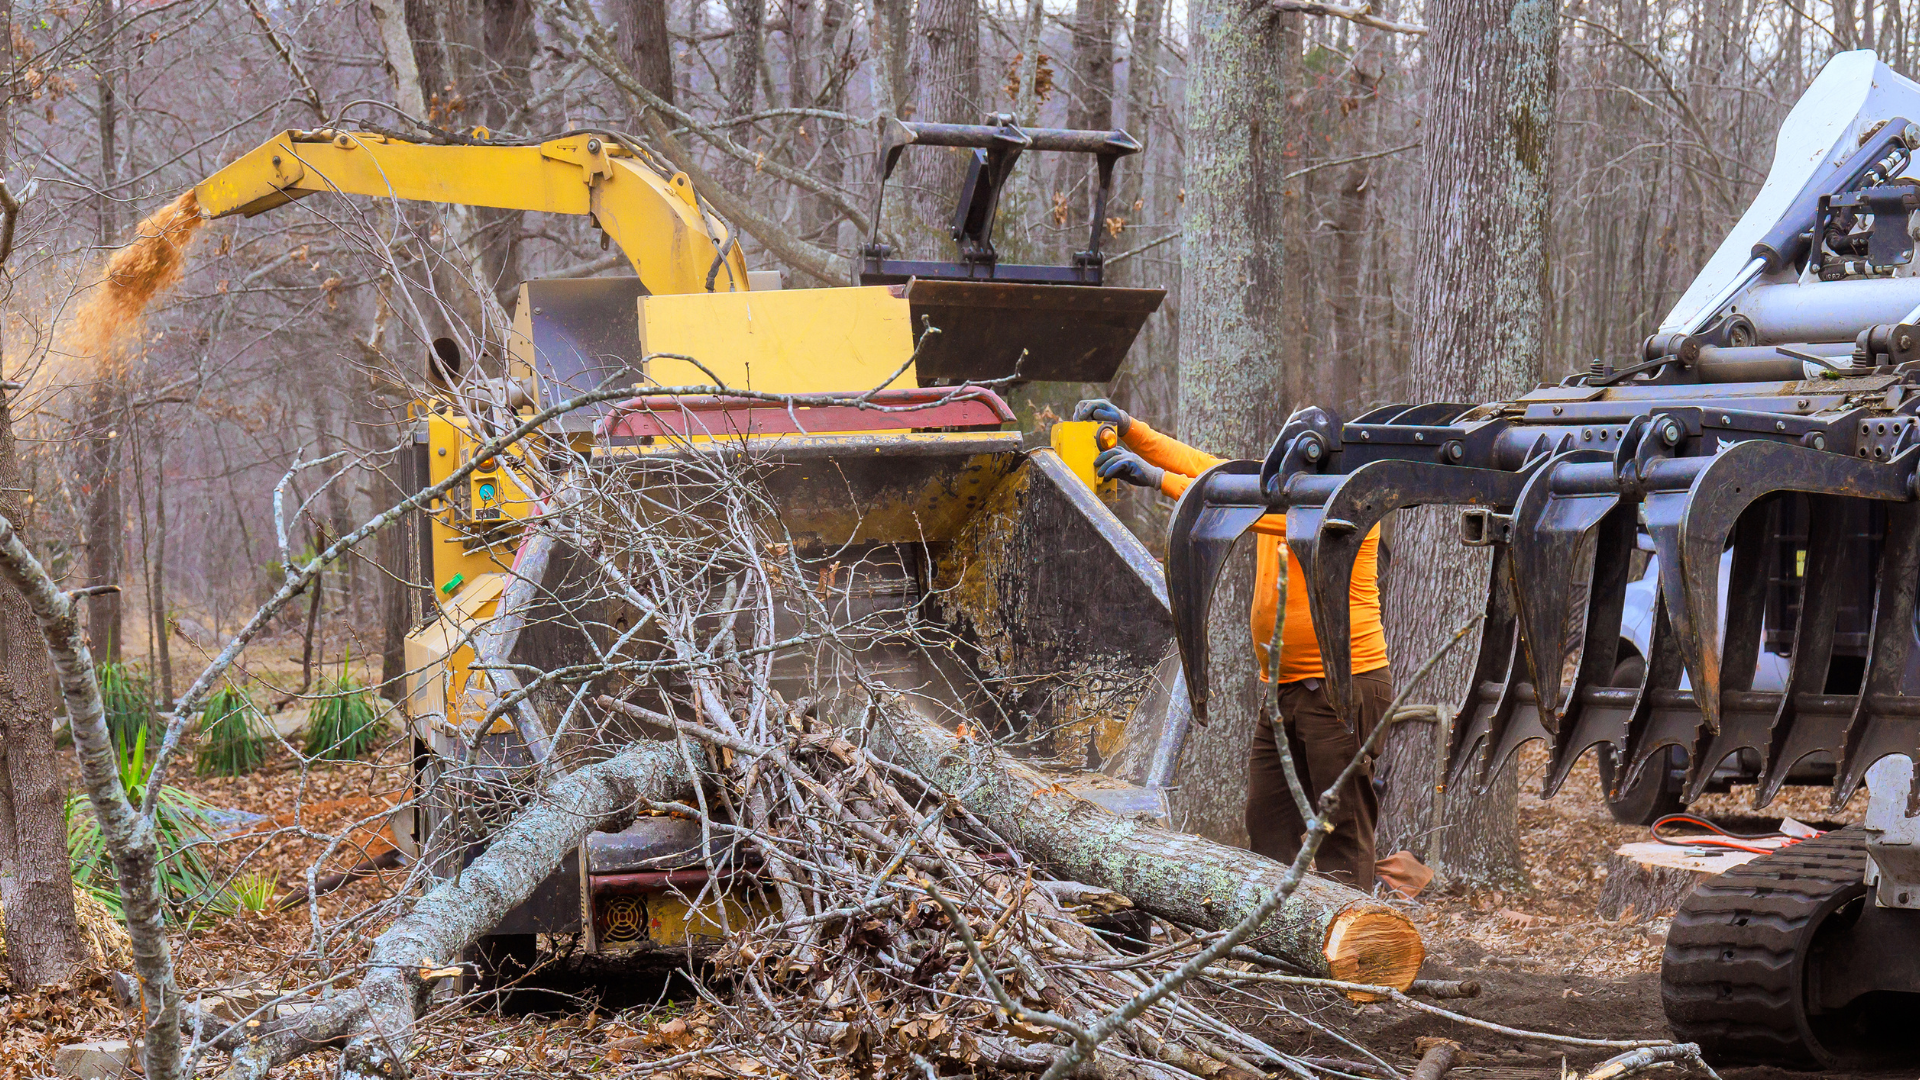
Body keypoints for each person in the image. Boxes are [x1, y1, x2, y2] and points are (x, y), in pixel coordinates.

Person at [1074, 398, 1395, 889]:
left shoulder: (1352, 505)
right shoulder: (1275, 493)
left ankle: (1356, 950)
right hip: (1281, 692)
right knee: (1268, 828)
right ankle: (1281, 940)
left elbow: (1239, 508)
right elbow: (1205, 471)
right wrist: (1131, 428)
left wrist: (1156, 480)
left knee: (1343, 837)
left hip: (1342, 690)